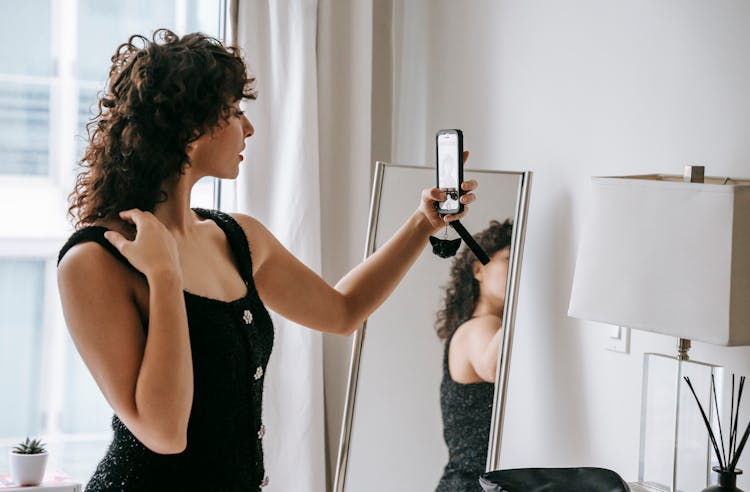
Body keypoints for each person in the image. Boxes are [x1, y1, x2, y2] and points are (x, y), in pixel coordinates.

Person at [56, 29, 476, 491]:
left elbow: (342, 312)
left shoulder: (237, 236)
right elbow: (164, 432)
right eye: (235, 112)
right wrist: (162, 274)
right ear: (191, 130)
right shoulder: (94, 259)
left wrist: (421, 222)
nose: (249, 128)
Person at [434, 219, 513, 492]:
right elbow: (494, 367)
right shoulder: (480, 326)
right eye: (508, 258)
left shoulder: (486, 325)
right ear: (478, 269)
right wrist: (523, 295)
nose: (518, 269)